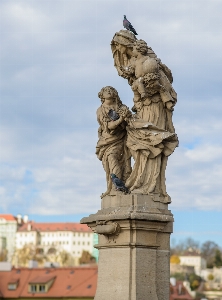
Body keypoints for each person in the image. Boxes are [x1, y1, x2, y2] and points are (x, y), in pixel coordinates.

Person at [96, 86, 131, 197]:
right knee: (110, 164)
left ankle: (118, 189)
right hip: (108, 141)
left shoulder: (121, 107)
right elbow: (109, 126)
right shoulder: (101, 110)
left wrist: (128, 117)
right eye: (106, 90)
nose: (109, 91)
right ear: (102, 95)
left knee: (120, 162)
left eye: (111, 90)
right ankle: (113, 188)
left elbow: (129, 120)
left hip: (121, 139)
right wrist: (121, 119)